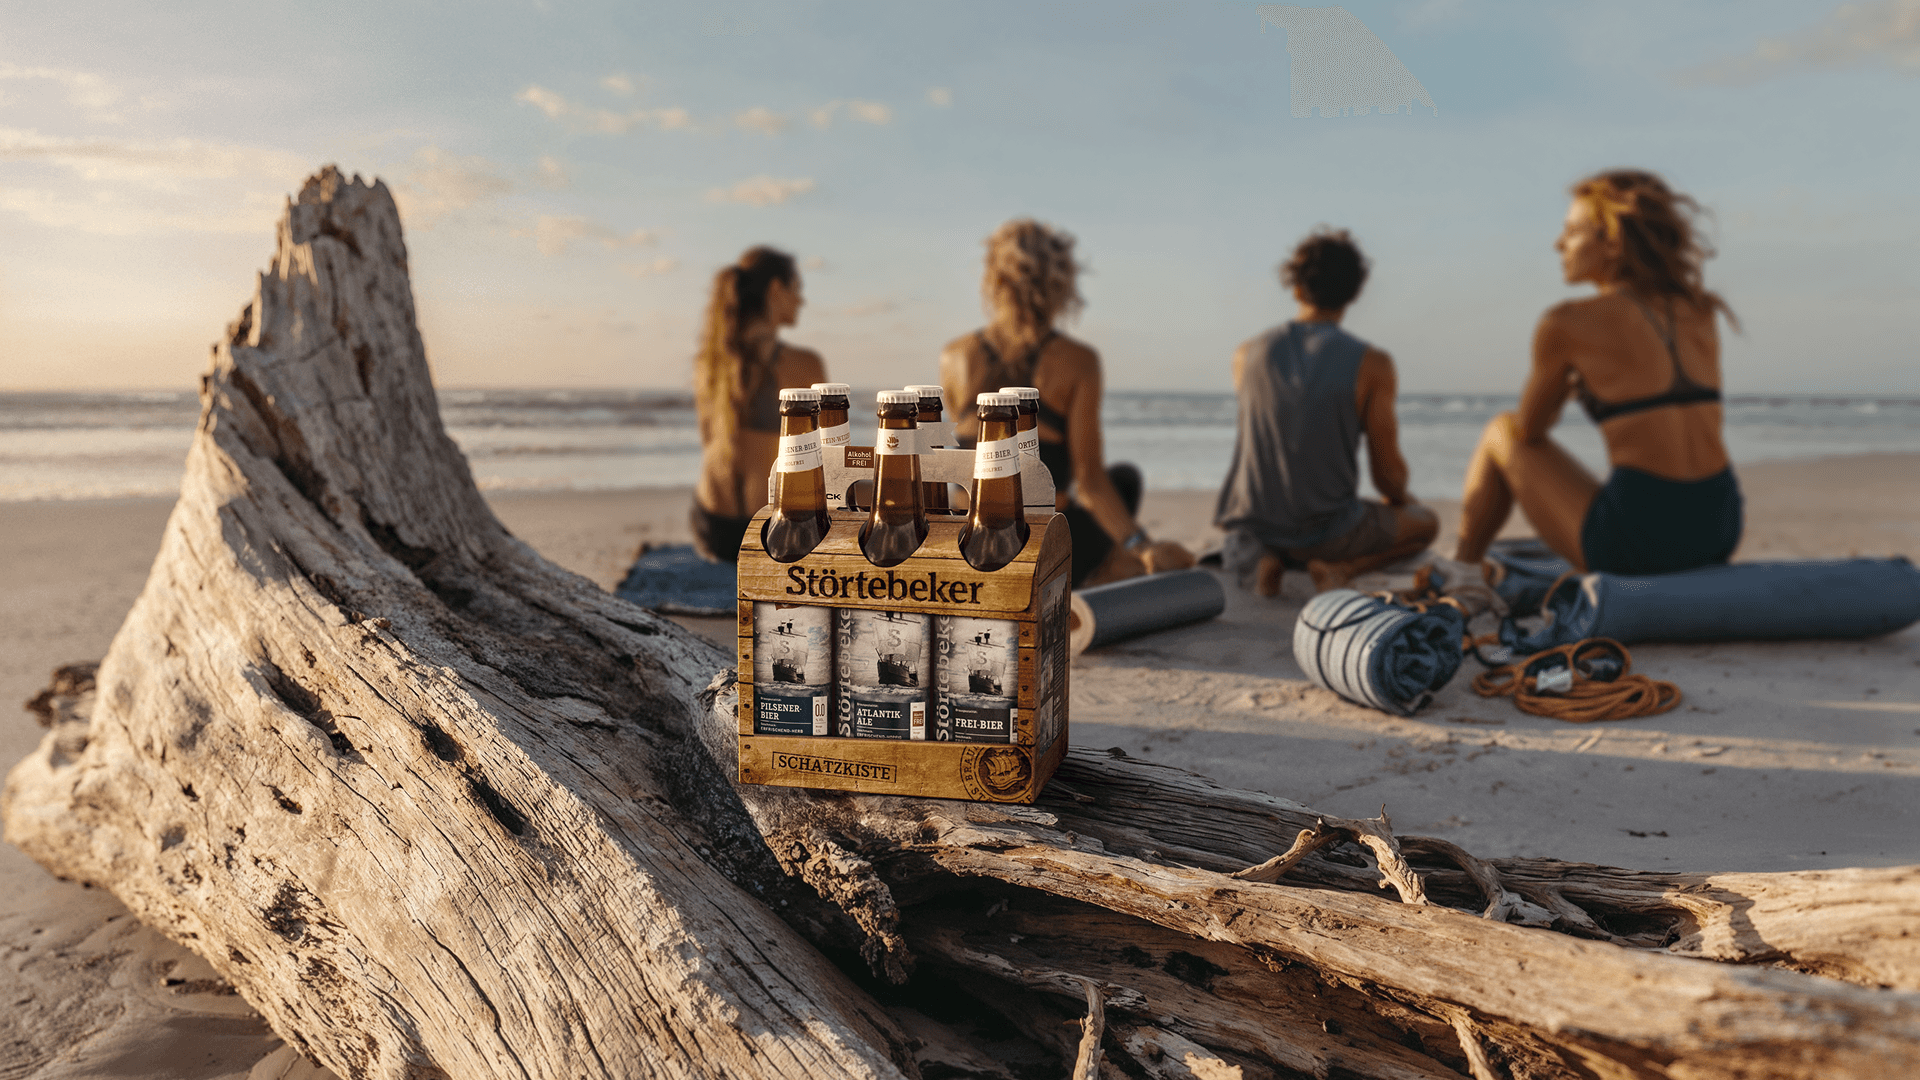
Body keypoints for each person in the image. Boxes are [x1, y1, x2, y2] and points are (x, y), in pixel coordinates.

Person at [1452, 169, 1741, 576]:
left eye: (1572, 232)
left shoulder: (1565, 323)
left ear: (1612, 243)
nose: (1558, 244)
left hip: (1640, 543)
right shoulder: (1700, 311)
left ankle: (1461, 572)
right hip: (1720, 528)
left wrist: (1565, 389)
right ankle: (1465, 571)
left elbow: (1530, 431)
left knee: (1501, 430)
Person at [940, 219, 1181, 587]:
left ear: (993, 278)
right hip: (1042, 551)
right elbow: (1091, 481)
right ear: (1061, 282)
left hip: (972, 549)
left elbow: (960, 477)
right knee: (1124, 480)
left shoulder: (954, 356)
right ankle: (1106, 568)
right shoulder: (1078, 362)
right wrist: (1142, 546)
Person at [1215, 228, 1438, 594]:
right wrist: (1401, 501)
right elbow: (1388, 478)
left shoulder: (1245, 354)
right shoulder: (1372, 363)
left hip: (1256, 529)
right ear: (1354, 293)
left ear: (1296, 288)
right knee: (1426, 523)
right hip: (1326, 532)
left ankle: (1269, 561)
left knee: (1273, 527)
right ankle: (1343, 568)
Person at [691, 246, 827, 562]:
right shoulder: (804, 364)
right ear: (776, 290)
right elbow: (821, 460)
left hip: (711, 522)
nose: (801, 300)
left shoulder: (710, 363)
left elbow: (707, 437)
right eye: (797, 289)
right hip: (770, 526)